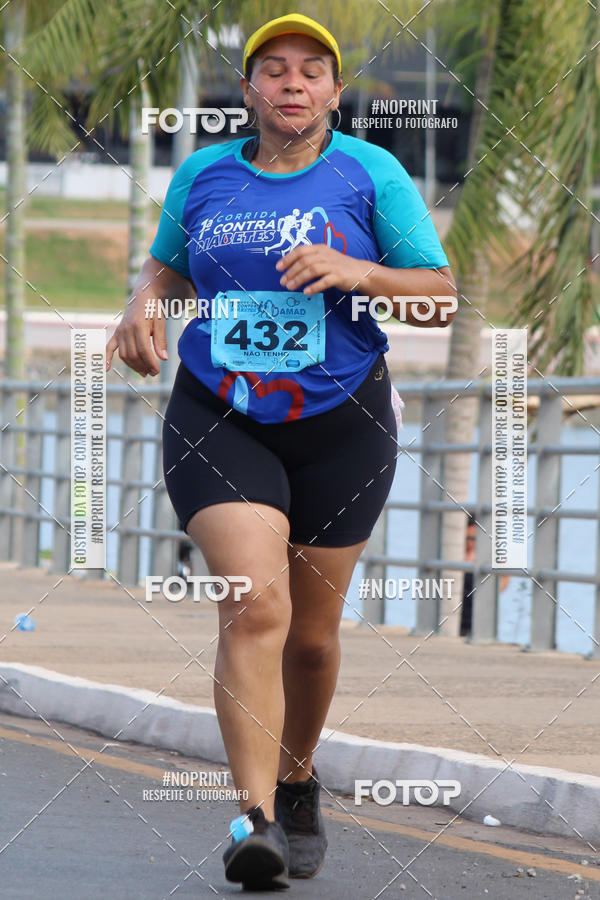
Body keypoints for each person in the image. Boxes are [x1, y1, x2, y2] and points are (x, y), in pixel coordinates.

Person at [106, 12, 456, 890]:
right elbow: (169, 269)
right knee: (255, 605)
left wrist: (361, 274)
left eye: (311, 71)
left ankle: (298, 781)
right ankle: (251, 821)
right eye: (273, 70)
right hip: (221, 413)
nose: (292, 84)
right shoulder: (204, 175)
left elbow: (440, 296)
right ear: (250, 91)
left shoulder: (371, 174)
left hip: (344, 421)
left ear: (334, 92)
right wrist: (144, 304)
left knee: (312, 638)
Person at [460, 515, 509, 636]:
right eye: (469, 537)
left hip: (480, 610)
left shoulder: (491, 555)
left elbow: (504, 580)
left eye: (475, 538)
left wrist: (489, 593)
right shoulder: (455, 553)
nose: (471, 540)